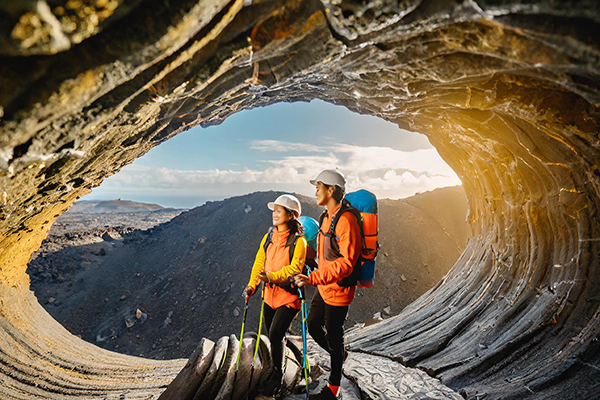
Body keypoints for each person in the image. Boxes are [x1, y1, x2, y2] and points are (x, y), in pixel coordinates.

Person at [294, 170, 361, 400]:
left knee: (334, 335)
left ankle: (333, 390)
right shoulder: (325, 217)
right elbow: (323, 255)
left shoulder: (347, 220)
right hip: (324, 287)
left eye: (318, 187)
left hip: (339, 291)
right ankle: (339, 355)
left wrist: (313, 278)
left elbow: (347, 264)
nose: (315, 191)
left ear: (331, 190)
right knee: (313, 325)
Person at [245, 194, 307, 397]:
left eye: (279, 211)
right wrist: (252, 286)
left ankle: (277, 377)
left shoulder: (300, 242)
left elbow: (293, 269)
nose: (275, 214)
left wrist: (270, 277)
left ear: (291, 215)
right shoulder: (269, 237)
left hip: (289, 298)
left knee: (275, 334)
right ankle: (288, 360)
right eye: (274, 210)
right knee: (274, 336)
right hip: (269, 297)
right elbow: (258, 264)